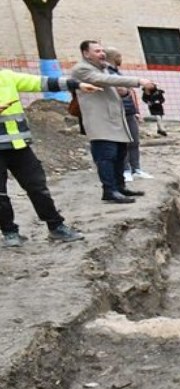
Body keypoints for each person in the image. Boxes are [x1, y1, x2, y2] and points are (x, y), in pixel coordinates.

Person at [0, 69, 96, 247]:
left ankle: (56, 226)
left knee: (38, 187)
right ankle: (10, 233)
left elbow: (42, 82)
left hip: (19, 146)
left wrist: (76, 84)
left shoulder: (6, 77)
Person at [71, 40, 152, 204]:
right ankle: (109, 190)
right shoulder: (82, 69)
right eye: (97, 51)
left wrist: (124, 93)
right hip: (99, 121)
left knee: (120, 155)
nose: (102, 54)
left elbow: (115, 87)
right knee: (106, 157)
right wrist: (138, 81)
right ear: (86, 53)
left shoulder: (105, 69)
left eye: (102, 51)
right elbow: (105, 80)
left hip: (115, 120)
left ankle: (120, 187)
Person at [103, 48, 149, 182]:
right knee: (123, 143)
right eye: (120, 56)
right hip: (118, 112)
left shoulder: (118, 73)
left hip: (129, 112)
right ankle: (125, 169)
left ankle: (136, 168)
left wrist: (136, 111)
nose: (121, 59)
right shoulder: (107, 73)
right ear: (114, 57)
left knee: (134, 141)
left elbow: (128, 91)